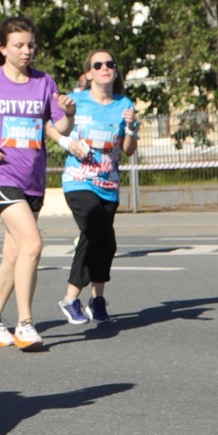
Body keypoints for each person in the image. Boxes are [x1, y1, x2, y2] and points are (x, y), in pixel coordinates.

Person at [0, 17, 69, 350]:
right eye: (19, 45)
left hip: (32, 181)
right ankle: (25, 323)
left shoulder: (44, 82)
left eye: (30, 45)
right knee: (33, 245)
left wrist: (71, 113)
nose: (26, 51)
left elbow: (61, 128)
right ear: (3, 48)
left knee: (13, 253)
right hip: (1, 176)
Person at [57, 50, 140, 327]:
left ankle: (98, 300)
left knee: (102, 241)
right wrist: (68, 143)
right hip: (78, 180)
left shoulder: (124, 104)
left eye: (110, 64)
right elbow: (49, 126)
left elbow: (128, 151)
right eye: (98, 64)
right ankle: (70, 299)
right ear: (89, 73)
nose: (105, 67)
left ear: (115, 72)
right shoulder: (75, 100)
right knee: (98, 234)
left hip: (109, 185)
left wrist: (129, 128)